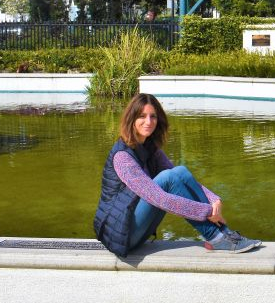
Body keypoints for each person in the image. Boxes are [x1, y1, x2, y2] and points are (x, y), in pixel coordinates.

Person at [93, 93, 261, 256]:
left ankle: (224, 234)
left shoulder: (150, 148)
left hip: (136, 226)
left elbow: (180, 179)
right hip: (120, 236)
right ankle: (215, 237)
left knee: (179, 171)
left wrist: (214, 200)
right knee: (167, 178)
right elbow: (159, 198)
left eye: (153, 116)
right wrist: (207, 211)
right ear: (132, 119)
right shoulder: (122, 157)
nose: (148, 121)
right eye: (142, 116)